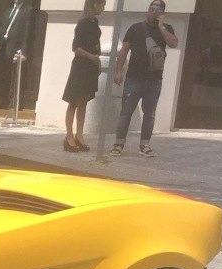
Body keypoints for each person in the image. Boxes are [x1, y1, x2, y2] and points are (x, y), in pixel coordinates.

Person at [112, 0, 178, 157]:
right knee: (126, 112)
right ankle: (119, 143)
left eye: (157, 9)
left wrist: (161, 27)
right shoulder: (135, 28)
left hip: (154, 80)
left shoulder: (166, 29)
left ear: (162, 13)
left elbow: (173, 43)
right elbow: (124, 50)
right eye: (151, 8)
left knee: (150, 114)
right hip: (134, 77)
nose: (153, 11)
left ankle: (145, 144)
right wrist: (118, 71)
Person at [62, 0, 106, 152]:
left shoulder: (95, 22)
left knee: (84, 100)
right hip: (81, 66)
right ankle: (68, 136)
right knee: (74, 100)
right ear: (94, 4)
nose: (104, 8)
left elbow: (96, 45)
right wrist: (91, 57)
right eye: (102, 4)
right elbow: (76, 47)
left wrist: (97, 62)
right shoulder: (82, 23)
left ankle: (79, 135)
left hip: (91, 66)